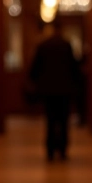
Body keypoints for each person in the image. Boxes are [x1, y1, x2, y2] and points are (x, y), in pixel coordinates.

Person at [28, 22, 82, 161]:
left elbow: (34, 69)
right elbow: (74, 68)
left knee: (50, 120)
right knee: (64, 121)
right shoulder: (66, 45)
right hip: (64, 90)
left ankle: (50, 150)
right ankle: (63, 150)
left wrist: (36, 82)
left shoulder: (43, 46)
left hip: (48, 90)